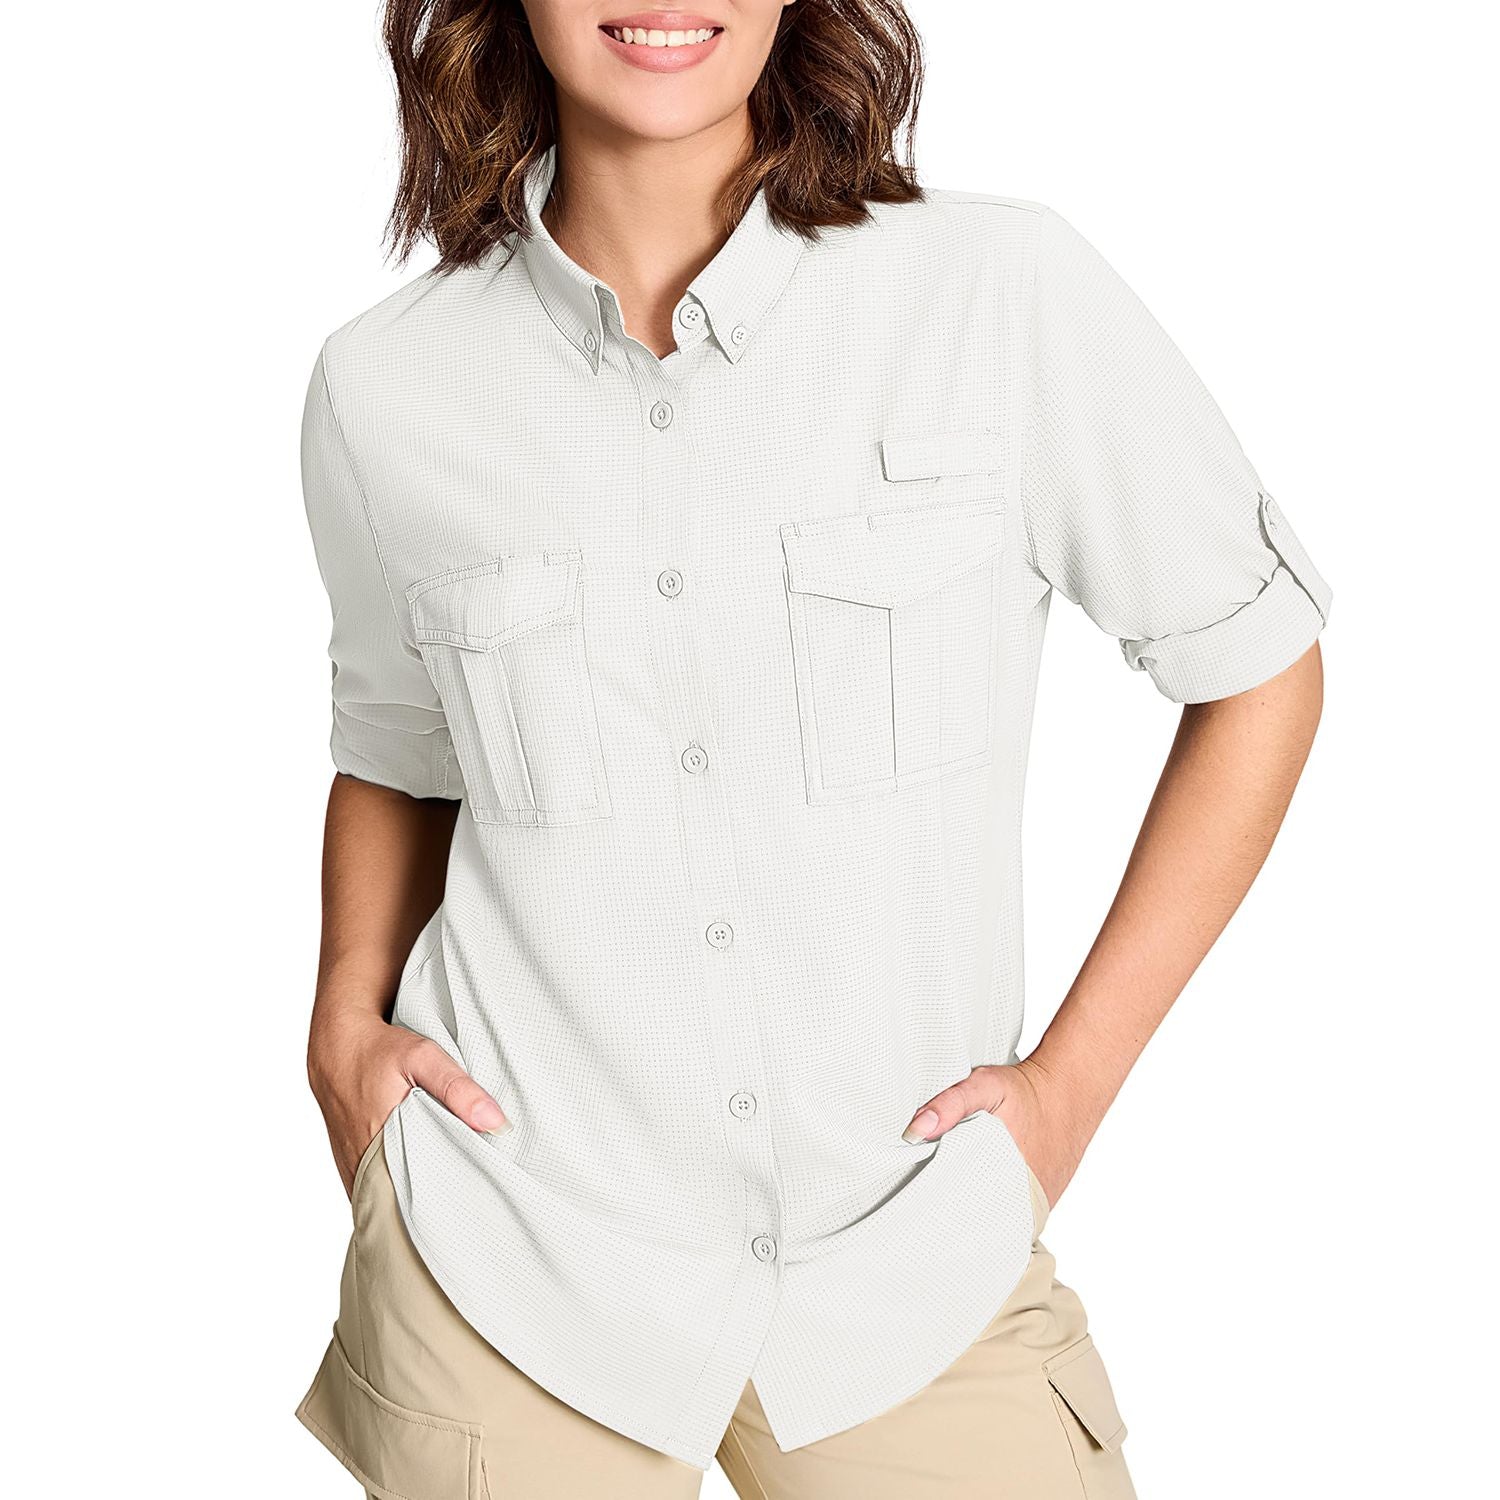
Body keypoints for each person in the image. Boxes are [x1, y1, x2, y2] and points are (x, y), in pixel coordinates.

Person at [292, 3, 1332, 1496]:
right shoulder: (384, 389)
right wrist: (343, 1026)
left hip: (912, 1259)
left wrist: (1068, 1093)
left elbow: (1259, 669)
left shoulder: (997, 298)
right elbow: (399, 750)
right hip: (509, 1262)